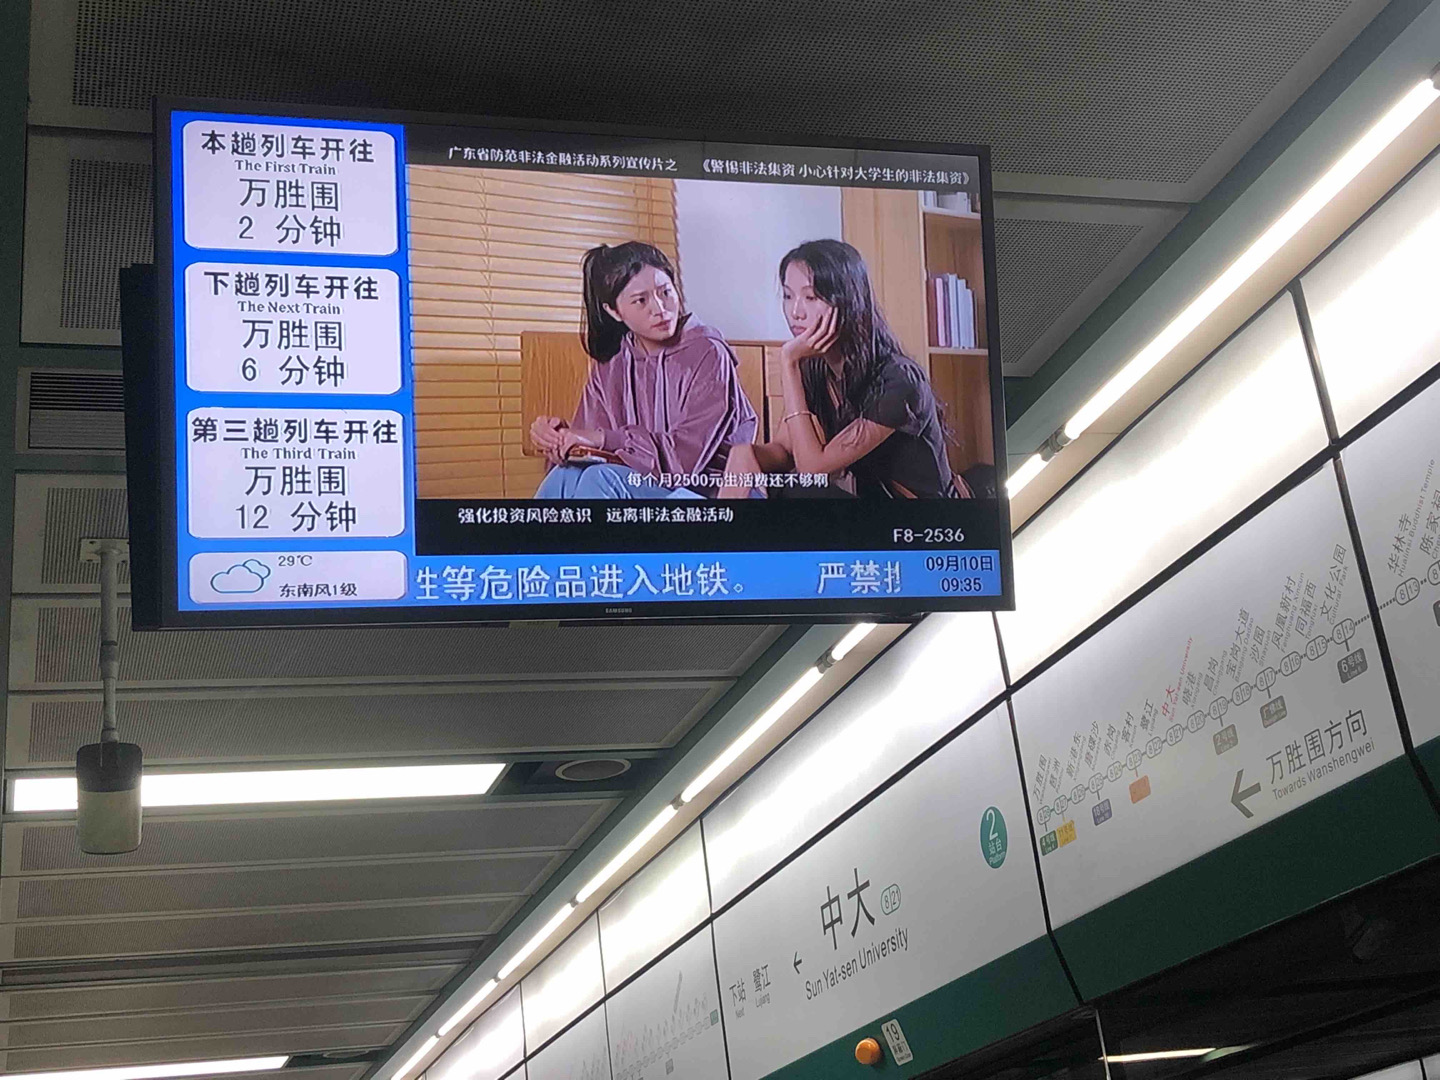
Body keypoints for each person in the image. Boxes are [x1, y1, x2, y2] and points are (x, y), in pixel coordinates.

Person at [718, 239, 966, 499]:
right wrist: (746, 453)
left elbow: (812, 470)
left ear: (847, 302)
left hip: (924, 517)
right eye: (788, 296)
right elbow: (785, 449)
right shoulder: (816, 368)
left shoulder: (898, 379)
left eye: (811, 297)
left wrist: (788, 362)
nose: (795, 312)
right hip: (872, 510)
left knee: (802, 491)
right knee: (776, 484)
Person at [531, 242, 757, 498]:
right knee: (565, 476)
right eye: (641, 300)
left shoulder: (707, 351)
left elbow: (683, 462)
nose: (660, 309)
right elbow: (590, 446)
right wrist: (560, 439)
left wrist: (603, 439)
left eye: (665, 292)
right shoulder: (612, 363)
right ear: (614, 311)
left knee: (602, 479)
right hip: (639, 487)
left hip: (710, 492)